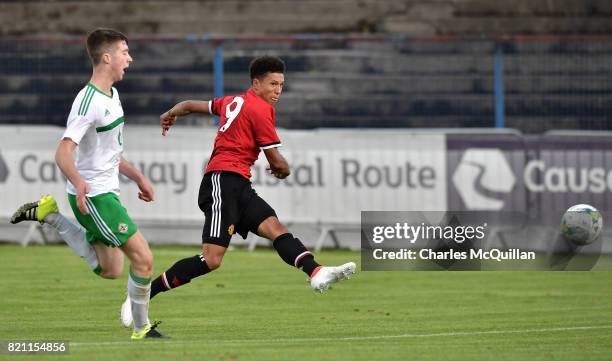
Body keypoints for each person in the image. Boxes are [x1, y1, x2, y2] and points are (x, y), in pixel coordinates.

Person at [120, 55, 356, 327]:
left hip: (238, 184)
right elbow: (276, 161)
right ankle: (142, 294)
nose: (278, 91)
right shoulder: (260, 109)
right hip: (222, 182)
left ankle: (315, 272)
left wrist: (171, 113)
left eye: (281, 85)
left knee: (275, 228)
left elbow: (189, 105)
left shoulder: (234, 101)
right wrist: (284, 170)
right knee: (211, 260)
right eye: (272, 84)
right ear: (256, 83)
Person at [10, 28, 167, 340]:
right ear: (107, 57)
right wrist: (80, 182)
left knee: (111, 270)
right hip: (95, 197)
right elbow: (63, 150)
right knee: (144, 258)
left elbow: (110, 154)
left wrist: (138, 177)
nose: (130, 58)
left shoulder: (112, 95)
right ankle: (142, 329)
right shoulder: (88, 101)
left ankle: (50, 216)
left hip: (107, 192)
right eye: (125, 52)